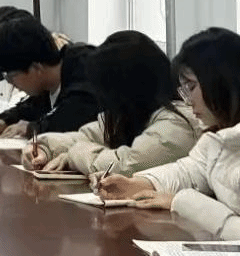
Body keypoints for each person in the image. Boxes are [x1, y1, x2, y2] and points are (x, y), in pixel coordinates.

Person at [97, 28, 240, 239]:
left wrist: (181, 202)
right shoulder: (217, 137)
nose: (188, 100)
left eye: (191, 87)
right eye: (184, 89)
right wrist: (139, 184)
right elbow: (187, 171)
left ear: (221, 82)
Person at [21, 30, 199, 176]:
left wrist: (73, 156)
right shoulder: (132, 115)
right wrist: (44, 148)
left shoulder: (177, 124)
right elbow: (87, 136)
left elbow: (127, 165)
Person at [0, 16, 100, 138]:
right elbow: (32, 108)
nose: (10, 83)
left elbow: (71, 117)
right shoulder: (49, 84)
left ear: (36, 68)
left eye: (11, 76)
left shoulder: (86, 72)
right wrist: (3, 121)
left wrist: (33, 128)